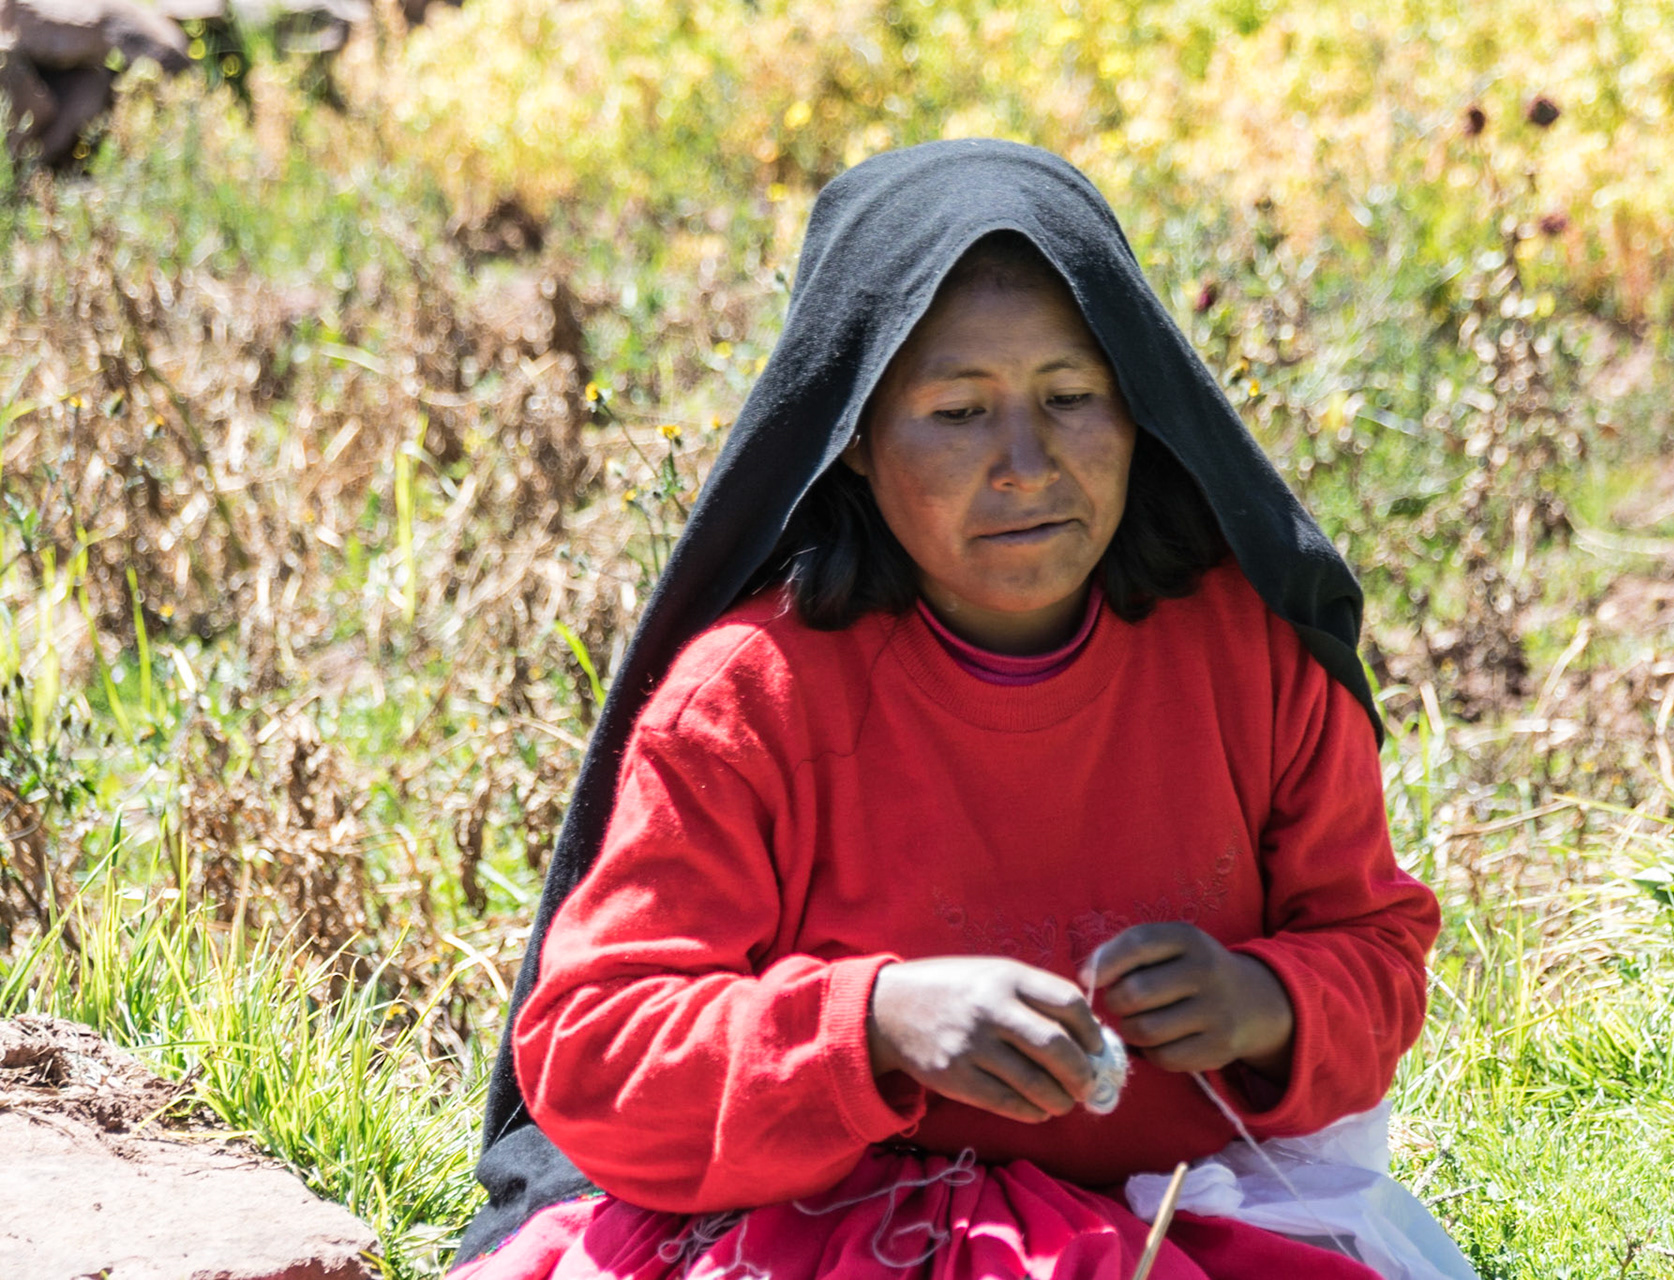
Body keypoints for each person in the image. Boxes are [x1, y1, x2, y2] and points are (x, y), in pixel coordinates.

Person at [448, 140, 1448, 1280]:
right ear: (859, 444)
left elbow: (1376, 949)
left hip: (1180, 1225)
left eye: (1073, 397)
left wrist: (1266, 999)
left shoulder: (1252, 661)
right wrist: (870, 1024)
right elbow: (592, 1053)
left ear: (1143, 413)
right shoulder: (748, 702)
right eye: (958, 410)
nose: (1025, 462)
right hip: (833, 1233)